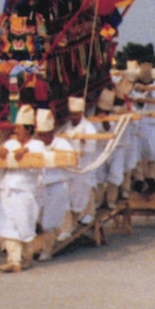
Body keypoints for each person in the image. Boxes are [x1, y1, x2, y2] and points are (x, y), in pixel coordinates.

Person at [0, 105, 44, 273]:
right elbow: (2, 154)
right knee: (8, 223)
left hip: (24, 191)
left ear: (29, 129)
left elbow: (36, 158)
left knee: (24, 223)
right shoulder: (10, 143)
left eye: (19, 127)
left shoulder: (37, 144)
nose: (16, 130)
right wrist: (1, 151)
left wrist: (25, 150)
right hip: (7, 189)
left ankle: (26, 258)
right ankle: (13, 260)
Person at [36, 109, 74, 261]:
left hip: (57, 184)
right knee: (38, 217)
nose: (42, 137)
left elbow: (71, 161)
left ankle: (47, 251)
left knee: (49, 222)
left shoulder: (62, 144)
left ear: (52, 132)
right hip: (41, 186)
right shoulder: (37, 144)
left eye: (45, 134)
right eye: (40, 134)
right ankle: (47, 240)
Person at [58, 96, 98, 242]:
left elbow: (91, 147)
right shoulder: (67, 126)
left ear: (81, 113)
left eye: (76, 114)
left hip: (84, 167)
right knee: (67, 197)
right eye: (72, 114)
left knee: (84, 192)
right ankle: (67, 227)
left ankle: (88, 214)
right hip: (69, 168)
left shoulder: (89, 128)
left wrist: (83, 141)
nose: (73, 117)